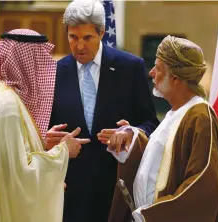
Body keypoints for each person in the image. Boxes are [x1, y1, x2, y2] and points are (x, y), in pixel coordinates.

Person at [45, 0, 160, 221]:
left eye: (87, 38)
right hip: (69, 194)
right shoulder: (54, 73)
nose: (79, 46)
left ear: (101, 32)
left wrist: (130, 133)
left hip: (116, 191)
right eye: (73, 37)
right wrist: (48, 139)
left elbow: (150, 123)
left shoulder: (130, 68)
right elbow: (45, 130)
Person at [0, 29, 90, 222]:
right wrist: (63, 151)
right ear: (27, 63)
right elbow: (19, 175)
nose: (43, 70)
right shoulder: (8, 106)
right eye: (39, 62)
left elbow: (1, 159)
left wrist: (41, 141)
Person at [107, 35, 218, 222]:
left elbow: (203, 186)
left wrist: (152, 215)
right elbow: (161, 162)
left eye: (159, 68)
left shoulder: (200, 115)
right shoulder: (174, 114)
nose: (152, 73)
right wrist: (132, 139)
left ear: (177, 78)